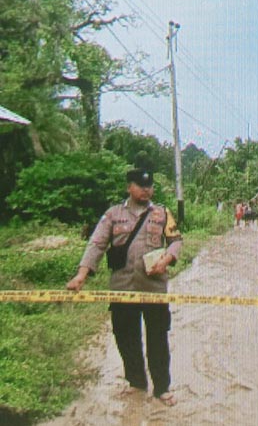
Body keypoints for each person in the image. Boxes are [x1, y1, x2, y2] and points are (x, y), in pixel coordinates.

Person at [66, 168, 183, 407]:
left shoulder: (162, 213)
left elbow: (176, 241)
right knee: (126, 338)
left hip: (154, 288)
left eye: (149, 186)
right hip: (122, 287)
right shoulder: (112, 215)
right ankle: (137, 382)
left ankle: (162, 388)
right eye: (141, 186)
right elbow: (96, 244)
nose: (146, 190)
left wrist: (167, 259)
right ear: (129, 187)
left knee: (157, 339)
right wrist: (81, 275)